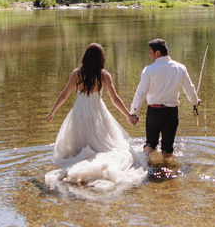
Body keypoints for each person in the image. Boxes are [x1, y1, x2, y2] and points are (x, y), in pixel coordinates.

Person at [44, 43, 147, 196]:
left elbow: (65, 94)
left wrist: (53, 111)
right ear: (101, 59)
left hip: (80, 110)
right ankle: (92, 165)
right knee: (103, 145)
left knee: (78, 144)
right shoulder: (103, 75)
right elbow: (115, 99)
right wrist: (129, 116)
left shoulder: (77, 74)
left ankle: (78, 164)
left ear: (85, 58)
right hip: (97, 111)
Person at [128, 38, 201, 158]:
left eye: (151, 52)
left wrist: (133, 113)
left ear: (158, 53)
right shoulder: (180, 68)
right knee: (167, 149)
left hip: (153, 112)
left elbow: (140, 93)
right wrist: (195, 101)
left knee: (150, 145)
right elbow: (190, 90)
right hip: (171, 113)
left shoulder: (148, 70)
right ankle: (168, 174)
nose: (150, 56)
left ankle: (143, 166)